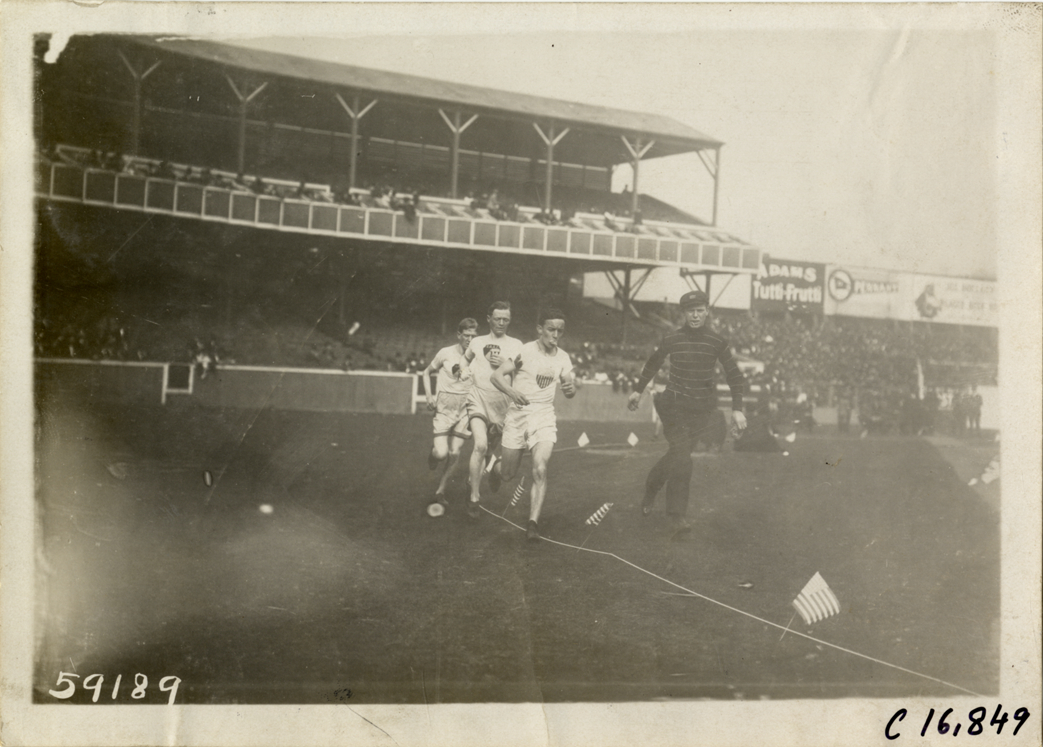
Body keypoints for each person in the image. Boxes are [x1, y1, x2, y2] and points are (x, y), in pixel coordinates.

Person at [626, 290, 747, 533]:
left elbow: (734, 374)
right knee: (683, 458)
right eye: (690, 311)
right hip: (673, 407)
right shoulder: (672, 338)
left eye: (699, 310)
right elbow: (654, 362)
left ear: (707, 311)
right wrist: (638, 390)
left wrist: (737, 409)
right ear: (683, 313)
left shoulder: (717, 341)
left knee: (677, 455)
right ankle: (676, 516)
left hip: (700, 412)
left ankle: (651, 486)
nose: (695, 315)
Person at [489, 309, 576, 540]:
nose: (555, 335)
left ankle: (532, 524)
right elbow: (496, 376)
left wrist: (570, 389)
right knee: (508, 474)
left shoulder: (563, 358)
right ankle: (495, 469)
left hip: (544, 416)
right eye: (551, 329)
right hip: (518, 415)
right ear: (540, 329)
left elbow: (569, 386)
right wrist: (512, 391)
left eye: (560, 331)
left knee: (540, 467)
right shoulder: (524, 351)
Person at [462, 302, 524, 518]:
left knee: (489, 451)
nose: (501, 323)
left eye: (505, 319)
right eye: (497, 318)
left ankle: (494, 470)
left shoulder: (517, 345)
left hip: (502, 407)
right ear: (488, 318)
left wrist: (508, 364)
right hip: (478, 399)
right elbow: (465, 360)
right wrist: (461, 371)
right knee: (479, 445)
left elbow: (523, 371)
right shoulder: (477, 342)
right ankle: (474, 498)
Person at [421, 318, 478, 507]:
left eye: (473, 336)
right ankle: (434, 453)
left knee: (455, 452)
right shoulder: (445, 353)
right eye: (467, 335)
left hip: (465, 411)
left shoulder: (478, 357)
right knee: (442, 453)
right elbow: (426, 372)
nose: (470, 339)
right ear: (459, 335)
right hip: (444, 410)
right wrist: (429, 396)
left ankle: (440, 491)